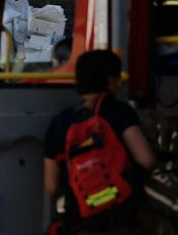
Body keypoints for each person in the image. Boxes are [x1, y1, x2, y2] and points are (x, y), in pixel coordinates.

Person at [43, 49, 158, 233]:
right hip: (121, 219)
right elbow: (146, 159)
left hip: (80, 221)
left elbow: (51, 185)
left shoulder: (60, 122)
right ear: (110, 81)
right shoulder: (119, 111)